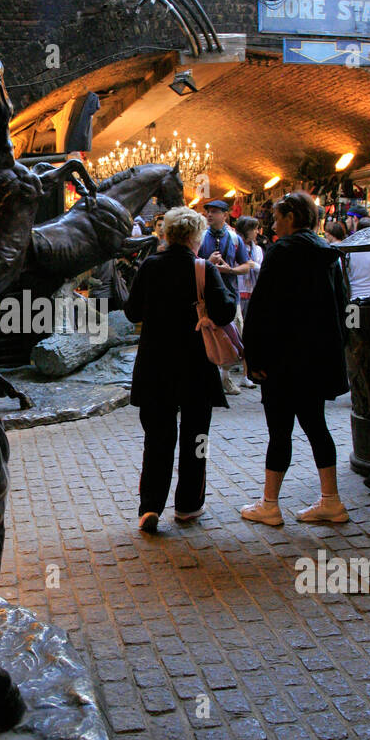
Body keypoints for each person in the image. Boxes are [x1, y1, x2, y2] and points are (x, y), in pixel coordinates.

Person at [241, 190, 350, 526]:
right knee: (317, 425)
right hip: (315, 359)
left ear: (290, 217)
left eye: (276, 218)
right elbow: (341, 307)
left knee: (280, 430)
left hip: (282, 359)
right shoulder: (328, 254)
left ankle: (270, 504)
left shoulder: (281, 253)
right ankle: (331, 500)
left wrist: (254, 355)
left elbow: (262, 309)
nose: (273, 225)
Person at [124, 205, 235, 533]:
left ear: (168, 235)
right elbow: (226, 312)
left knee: (157, 438)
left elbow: (131, 312)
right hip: (196, 369)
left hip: (156, 367)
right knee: (197, 436)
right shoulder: (203, 268)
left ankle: (150, 507)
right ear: (195, 237)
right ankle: (188, 505)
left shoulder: (149, 266)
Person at [200, 200, 251, 394]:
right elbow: (193, 263)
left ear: (225, 215)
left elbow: (246, 265)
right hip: (206, 297)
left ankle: (225, 377)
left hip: (230, 296)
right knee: (208, 336)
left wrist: (231, 269)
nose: (209, 215)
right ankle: (211, 379)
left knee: (232, 335)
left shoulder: (234, 239)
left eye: (214, 212)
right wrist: (208, 263)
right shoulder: (201, 238)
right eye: (208, 212)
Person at [235, 216, 263, 388]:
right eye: (254, 229)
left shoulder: (258, 250)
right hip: (238, 293)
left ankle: (246, 373)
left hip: (252, 292)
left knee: (249, 334)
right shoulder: (237, 246)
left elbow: (261, 267)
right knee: (238, 332)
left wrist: (254, 266)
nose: (257, 232)